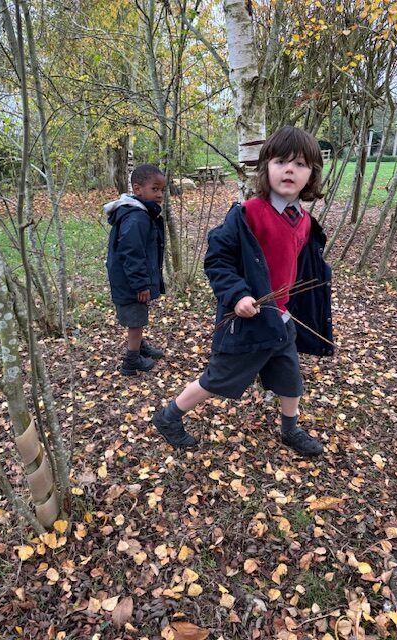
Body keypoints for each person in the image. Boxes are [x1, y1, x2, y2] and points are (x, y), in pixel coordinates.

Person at [152, 126, 333, 455]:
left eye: (301, 164)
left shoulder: (304, 220)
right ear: (266, 168)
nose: (290, 169)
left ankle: (290, 430)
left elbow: (298, 267)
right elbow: (217, 259)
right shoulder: (248, 214)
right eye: (281, 161)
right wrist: (237, 294)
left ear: (312, 175)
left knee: (290, 378)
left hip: (282, 318)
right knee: (218, 379)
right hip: (247, 320)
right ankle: (168, 416)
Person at [105, 164, 167, 376]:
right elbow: (132, 253)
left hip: (130, 278)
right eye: (155, 189)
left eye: (162, 190)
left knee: (138, 316)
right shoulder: (136, 217)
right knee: (136, 319)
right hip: (130, 281)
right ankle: (131, 360)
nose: (159, 195)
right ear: (138, 189)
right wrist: (141, 284)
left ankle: (139, 346)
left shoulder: (140, 213)